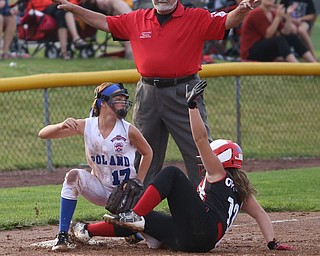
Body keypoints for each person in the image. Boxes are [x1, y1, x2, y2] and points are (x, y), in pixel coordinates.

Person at [54, 0, 260, 189]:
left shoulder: (195, 17)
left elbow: (226, 21)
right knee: (142, 152)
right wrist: (74, 8)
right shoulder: (138, 18)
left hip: (184, 91)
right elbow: (105, 22)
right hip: (148, 92)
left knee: (198, 151)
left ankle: (208, 204)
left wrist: (241, 9)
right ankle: (139, 210)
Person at [72, 80, 294, 252]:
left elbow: (199, 138)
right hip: (195, 241)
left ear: (221, 159)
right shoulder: (240, 191)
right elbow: (261, 215)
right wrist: (272, 243)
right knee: (144, 221)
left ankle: (132, 216)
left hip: (200, 230)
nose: (205, 160)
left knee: (172, 174)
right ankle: (85, 230)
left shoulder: (218, 172)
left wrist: (192, 106)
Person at [38, 82, 153, 251]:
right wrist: (61, 125)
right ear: (103, 102)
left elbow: (148, 152)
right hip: (99, 188)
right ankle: (62, 235)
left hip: (126, 194)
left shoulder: (128, 130)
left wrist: (139, 181)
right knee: (73, 176)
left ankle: (129, 230)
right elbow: (43, 134)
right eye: (118, 99)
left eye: (124, 99)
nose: (123, 103)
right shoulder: (87, 125)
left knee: (155, 240)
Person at [240, 0, 317, 62]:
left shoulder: (273, 13)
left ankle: (314, 65)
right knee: (279, 39)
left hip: (265, 47)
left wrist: (288, 16)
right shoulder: (256, 13)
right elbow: (268, 35)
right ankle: (298, 69)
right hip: (250, 51)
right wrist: (278, 17)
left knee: (292, 37)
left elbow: (286, 32)